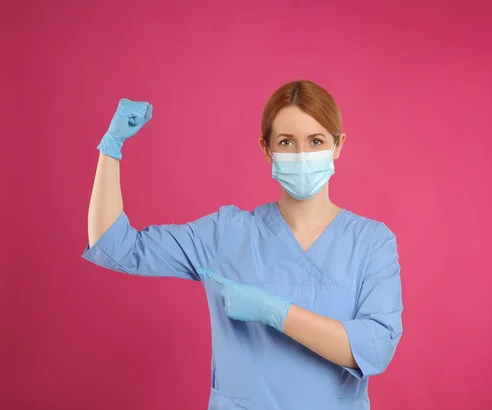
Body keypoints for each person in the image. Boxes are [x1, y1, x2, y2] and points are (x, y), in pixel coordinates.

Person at [83, 80, 403, 410]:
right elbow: (114, 247)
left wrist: (276, 312)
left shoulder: (371, 243)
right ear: (266, 148)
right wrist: (111, 147)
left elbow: (376, 348)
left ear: (337, 146)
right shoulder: (227, 235)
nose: (302, 155)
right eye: (287, 142)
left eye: (316, 141)